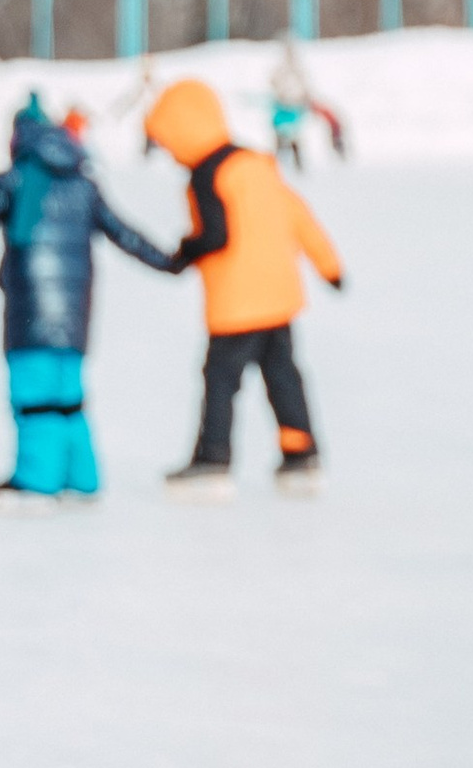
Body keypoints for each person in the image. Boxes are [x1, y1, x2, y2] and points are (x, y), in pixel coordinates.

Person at [0, 91, 177, 507]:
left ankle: (38, 481)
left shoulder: (14, 180)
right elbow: (124, 233)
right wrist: (171, 262)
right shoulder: (82, 183)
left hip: (30, 311)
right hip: (75, 312)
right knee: (68, 396)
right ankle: (81, 478)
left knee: (35, 395)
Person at [141, 77, 343, 496]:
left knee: (220, 380)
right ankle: (300, 454)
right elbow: (298, 215)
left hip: (237, 301)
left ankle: (212, 460)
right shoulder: (255, 162)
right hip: (279, 296)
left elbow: (217, 236)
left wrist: (184, 253)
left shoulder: (206, 174)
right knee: (282, 375)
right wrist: (330, 268)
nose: (170, 152)